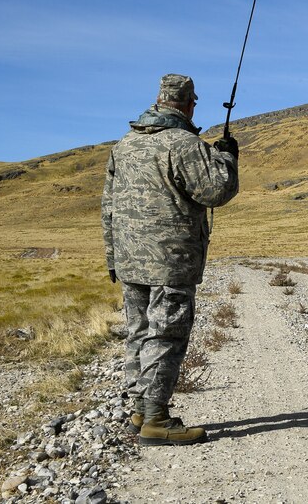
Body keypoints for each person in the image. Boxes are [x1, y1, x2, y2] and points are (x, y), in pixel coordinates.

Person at [101, 74, 239, 446]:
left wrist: (113, 258)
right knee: (166, 335)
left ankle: (140, 410)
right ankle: (156, 420)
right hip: (170, 262)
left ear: (159, 100)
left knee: (140, 332)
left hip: (130, 262)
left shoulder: (124, 145)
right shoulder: (184, 144)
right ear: (189, 104)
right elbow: (216, 191)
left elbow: (109, 206)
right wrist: (226, 156)